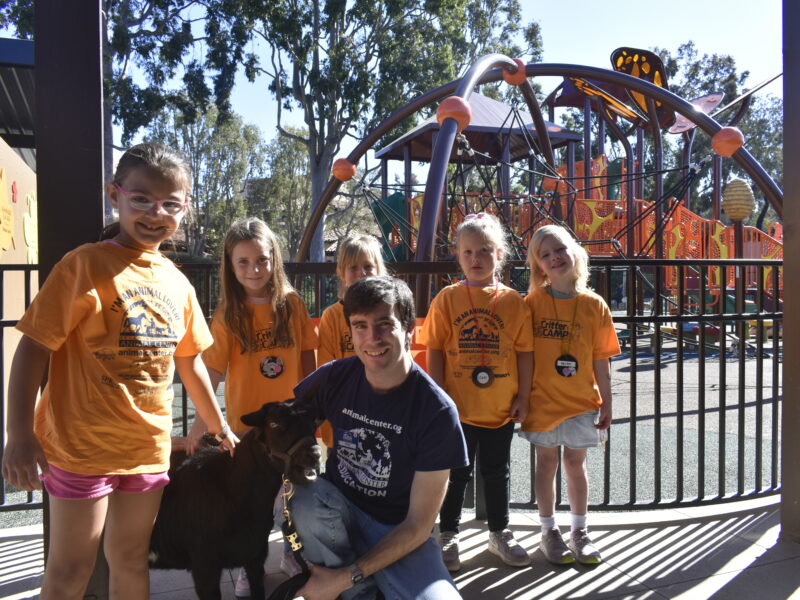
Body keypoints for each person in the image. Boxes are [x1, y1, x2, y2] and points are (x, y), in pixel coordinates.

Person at [1, 142, 238, 600]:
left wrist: (218, 423)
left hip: (145, 448)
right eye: (142, 199)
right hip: (80, 448)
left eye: (171, 204)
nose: (156, 213)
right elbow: (32, 350)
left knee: (131, 561)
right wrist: (20, 434)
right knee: (70, 572)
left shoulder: (176, 281)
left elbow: (190, 364)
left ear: (185, 209)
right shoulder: (84, 265)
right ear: (116, 195)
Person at [291, 276, 468, 600]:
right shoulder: (335, 376)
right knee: (304, 499)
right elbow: (285, 423)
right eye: (360, 326)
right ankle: (355, 590)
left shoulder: (438, 412)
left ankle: (346, 583)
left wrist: (347, 576)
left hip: (398, 530)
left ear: (409, 329)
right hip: (338, 510)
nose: (372, 338)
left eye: (385, 324)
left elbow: (417, 525)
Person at [187, 217, 317, 595]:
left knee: (293, 496)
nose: (254, 269)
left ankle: (294, 552)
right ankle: (250, 562)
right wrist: (201, 421)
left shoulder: (291, 305)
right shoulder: (229, 314)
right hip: (251, 428)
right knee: (253, 501)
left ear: (274, 259)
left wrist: (311, 407)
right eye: (242, 262)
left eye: (261, 260)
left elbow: (308, 358)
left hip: (291, 427)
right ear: (229, 266)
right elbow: (210, 370)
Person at [418, 212, 534, 571]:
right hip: (458, 407)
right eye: (467, 252)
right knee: (455, 473)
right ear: (458, 256)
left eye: (484, 250)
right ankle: (448, 533)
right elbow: (434, 348)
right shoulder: (447, 298)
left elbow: (525, 352)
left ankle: (499, 531)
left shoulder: (514, 301)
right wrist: (439, 395)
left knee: (497, 471)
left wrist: (524, 396)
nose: (476, 259)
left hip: (500, 407)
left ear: (499, 254)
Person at [521, 224, 620, 565]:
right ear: (539, 267)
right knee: (546, 463)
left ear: (574, 250)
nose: (555, 258)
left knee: (576, 465)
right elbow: (525, 354)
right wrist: (522, 396)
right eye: (545, 255)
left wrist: (607, 401)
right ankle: (549, 531)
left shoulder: (595, 305)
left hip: (580, 402)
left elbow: (600, 359)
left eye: (559, 249)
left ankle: (580, 530)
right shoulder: (533, 302)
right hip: (543, 401)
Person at [316, 233, 387, 447]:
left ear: (379, 269)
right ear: (341, 272)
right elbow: (328, 371)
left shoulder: (389, 313)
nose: (361, 274)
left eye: (367, 266)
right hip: (344, 411)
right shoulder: (332, 316)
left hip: (382, 407)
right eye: (353, 268)